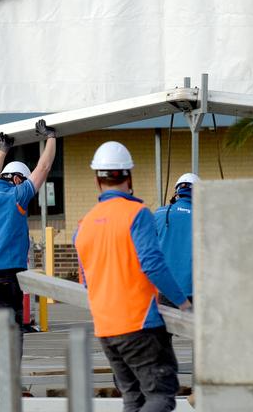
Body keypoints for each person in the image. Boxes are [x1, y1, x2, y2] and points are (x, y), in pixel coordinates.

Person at [74, 141, 191, 412]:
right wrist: (183, 303)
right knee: (160, 396)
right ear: (129, 176)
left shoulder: (85, 224)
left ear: (96, 180)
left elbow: (86, 281)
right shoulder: (137, 214)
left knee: (133, 399)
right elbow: (152, 264)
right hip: (139, 325)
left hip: (106, 328)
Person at [0, 123, 57, 397]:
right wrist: (51, 139)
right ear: (19, 180)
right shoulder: (18, 196)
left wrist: (2, 149)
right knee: (13, 328)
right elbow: (42, 170)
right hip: (4, 274)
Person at [154, 172, 197, 303]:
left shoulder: (160, 214)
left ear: (177, 192)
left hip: (166, 291)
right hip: (196, 291)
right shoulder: (206, 216)